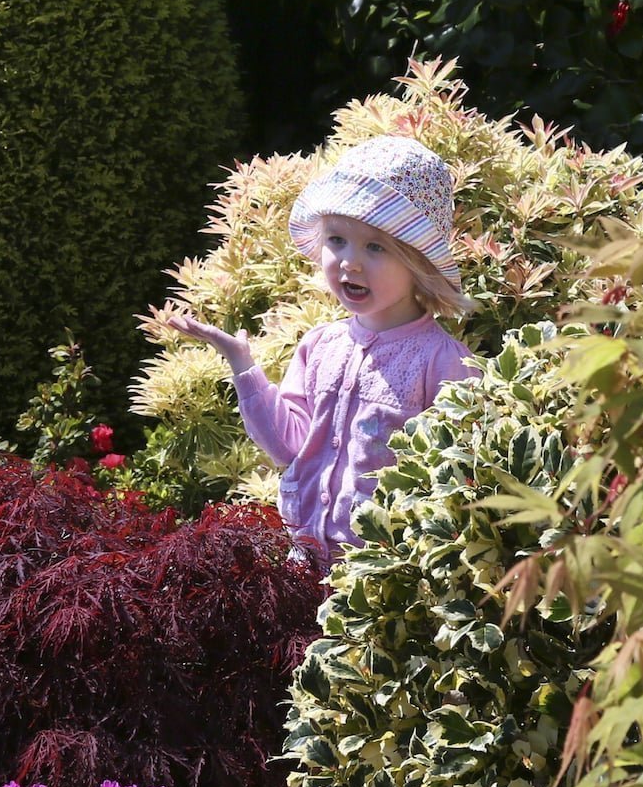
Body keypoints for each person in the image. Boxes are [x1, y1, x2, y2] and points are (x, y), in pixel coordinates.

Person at [170, 136, 478, 570]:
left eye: (375, 246)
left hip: (384, 582)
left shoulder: (443, 361)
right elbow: (289, 445)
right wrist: (243, 363)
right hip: (304, 563)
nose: (349, 262)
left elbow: (459, 479)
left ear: (418, 263)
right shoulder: (320, 346)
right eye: (337, 240)